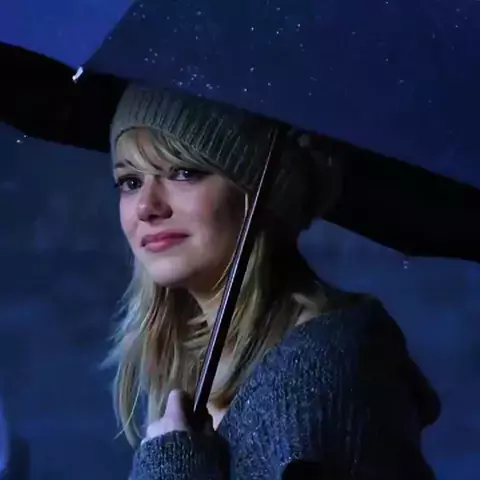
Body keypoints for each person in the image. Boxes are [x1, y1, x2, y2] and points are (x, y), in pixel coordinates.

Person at [105, 85, 441, 479]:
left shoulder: (318, 373)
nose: (146, 206)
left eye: (184, 172)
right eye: (130, 181)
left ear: (260, 195)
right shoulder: (195, 362)